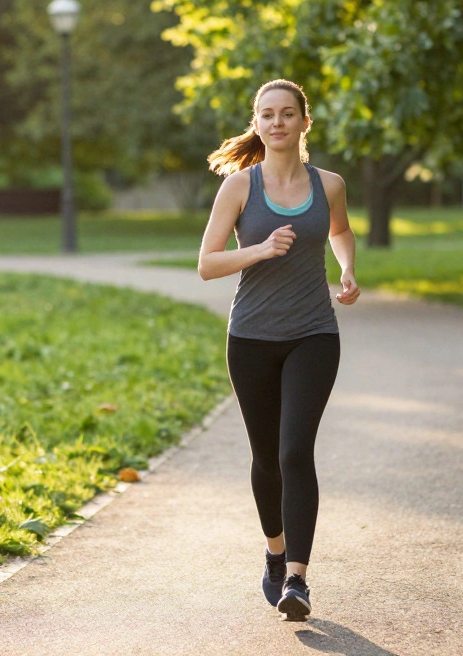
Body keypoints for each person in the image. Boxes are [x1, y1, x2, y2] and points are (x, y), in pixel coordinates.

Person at [197, 78, 360, 622]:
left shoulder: (329, 183)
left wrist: (348, 271)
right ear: (257, 122)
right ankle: (273, 551)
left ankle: (297, 579)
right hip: (250, 339)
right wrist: (262, 249)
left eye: (287, 114)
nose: (277, 123)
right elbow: (207, 264)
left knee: (295, 452)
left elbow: (340, 230)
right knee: (266, 458)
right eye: (267, 114)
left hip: (314, 334)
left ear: (303, 123)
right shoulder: (240, 188)